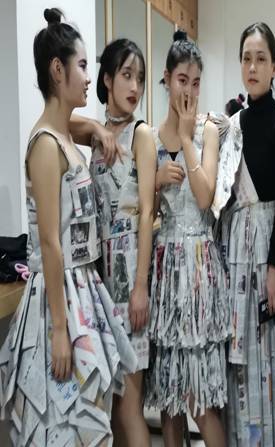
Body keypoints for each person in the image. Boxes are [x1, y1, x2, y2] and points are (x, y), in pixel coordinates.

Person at [0, 8, 136, 445]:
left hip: (82, 287)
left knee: (90, 418)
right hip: (58, 298)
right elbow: (49, 242)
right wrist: (60, 330)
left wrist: (96, 127)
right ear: (57, 70)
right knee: (65, 423)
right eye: (81, 66)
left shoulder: (62, 136)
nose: (88, 77)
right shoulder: (45, 144)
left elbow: (72, 125)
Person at [146, 30, 228, 447]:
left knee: (201, 398)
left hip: (199, 268)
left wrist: (185, 137)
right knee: (169, 395)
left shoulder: (208, 130)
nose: (189, 91)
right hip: (165, 270)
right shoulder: (148, 137)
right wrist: (156, 180)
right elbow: (140, 209)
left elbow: (204, 196)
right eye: (182, 80)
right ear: (166, 78)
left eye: (196, 82)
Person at [219, 22, 275, 446]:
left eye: (261, 59)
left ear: (274, 67)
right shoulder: (233, 124)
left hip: (266, 244)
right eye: (247, 58)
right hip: (235, 248)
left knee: (268, 350)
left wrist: (274, 267)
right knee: (239, 355)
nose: (253, 66)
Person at [91, 38, 157, 446]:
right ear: (107, 79)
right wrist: (98, 128)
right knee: (111, 407)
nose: (135, 86)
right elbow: (61, 123)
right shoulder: (96, 136)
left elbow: (147, 214)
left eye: (140, 78)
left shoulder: (141, 134)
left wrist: (140, 287)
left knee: (130, 406)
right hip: (99, 283)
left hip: (131, 273)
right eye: (127, 75)